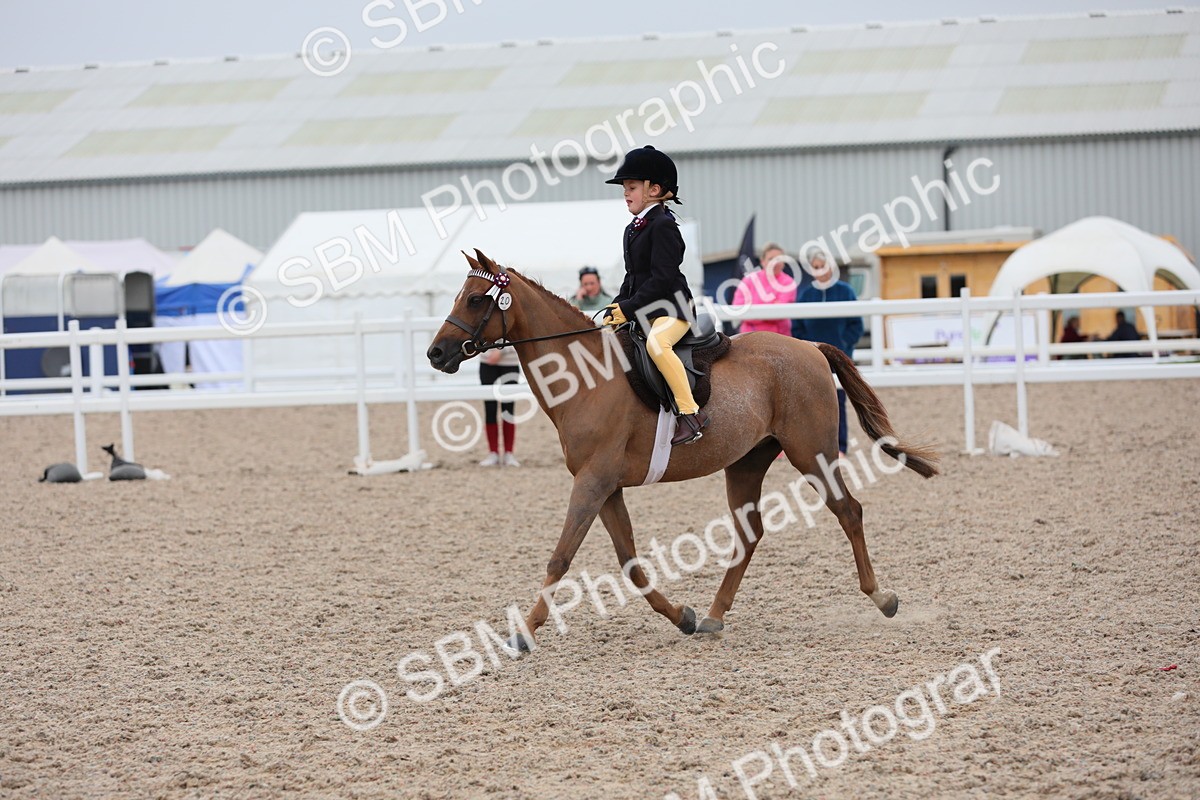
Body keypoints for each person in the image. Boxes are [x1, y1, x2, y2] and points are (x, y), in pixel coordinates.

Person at [602, 144, 708, 446]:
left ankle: (690, 414)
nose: (626, 192)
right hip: (645, 308)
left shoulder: (663, 225)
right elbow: (633, 276)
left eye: (632, 187)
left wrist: (630, 308)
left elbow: (662, 279)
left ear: (655, 189)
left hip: (673, 310)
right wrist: (617, 305)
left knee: (657, 345)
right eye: (625, 187)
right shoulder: (633, 228)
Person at [792, 251, 864, 456]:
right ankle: (814, 445)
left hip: (839, 356)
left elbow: (855, 325)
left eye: (823, 266)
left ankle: (840, 445)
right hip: (812, 356)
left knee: (838, 399)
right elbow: (797, 326)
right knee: (811, 400)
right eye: (815, 267)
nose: (820, 271)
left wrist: (844, 346)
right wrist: (807, 349)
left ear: (831, 267)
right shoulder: (806, 294)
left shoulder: (845, 291)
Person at [731, 242, 797, 335]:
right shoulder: (749, 280)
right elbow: (738, 307)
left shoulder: (789, 283)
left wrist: (752, 309)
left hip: (780, 339)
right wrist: (771, 305)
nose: (775, 263)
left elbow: (779, 313)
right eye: (771, 259)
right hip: (749, 337)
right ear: (763, 261)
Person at [478, 346, 521, 466]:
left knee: (508, 409)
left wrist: (501, 351)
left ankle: (509, 453)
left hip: (510, 363)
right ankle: (493, 453)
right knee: (490, 408)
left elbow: (516, 333)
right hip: (487, 363)